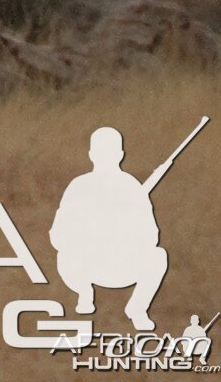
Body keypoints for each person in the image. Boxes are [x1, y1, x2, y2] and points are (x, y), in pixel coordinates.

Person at [52, 126, 171, 330]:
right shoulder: (78, 186)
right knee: (65, 255)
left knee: (158, 256)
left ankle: (137, 309)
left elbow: (151, 236)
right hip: (86, 266)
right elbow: (58, 235)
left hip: (121, 265)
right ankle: (84, 293)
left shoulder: (132, 187)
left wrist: (123, 233)